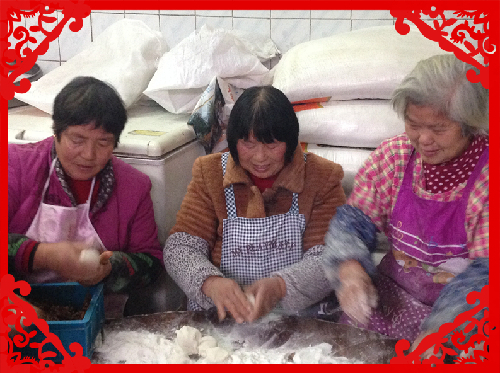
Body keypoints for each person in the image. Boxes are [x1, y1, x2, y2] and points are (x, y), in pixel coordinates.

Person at [322, 54, 489, 358]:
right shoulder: (395, 157)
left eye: (438, 129)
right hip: (394, 299)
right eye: (413, 124)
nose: (423, 139)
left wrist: (442, 332)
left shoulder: (488, 176)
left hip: (464, 310)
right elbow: (353, 221)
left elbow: (487, 274)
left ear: (470, 124)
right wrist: (350, 268)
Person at [164, 86, 346, 323]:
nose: (260, 157)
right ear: (233, 141)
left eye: (272, 145)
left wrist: (281, 286)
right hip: (224, 318)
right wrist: (210, 282)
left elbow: (331, 255)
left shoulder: (322, 176)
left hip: (299, 320)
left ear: (290, 142)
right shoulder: (209, 173)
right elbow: (180, 248)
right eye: (248, 144)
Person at [8, 76, 164, 317]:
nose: (89, 155)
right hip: (15, 314)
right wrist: (43, 256)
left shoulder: (133, 187)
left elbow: (151, 266)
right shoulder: (15, 166)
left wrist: (109, 268)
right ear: (57, 132)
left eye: (103, 142)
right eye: (77, 140)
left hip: (96, 319)